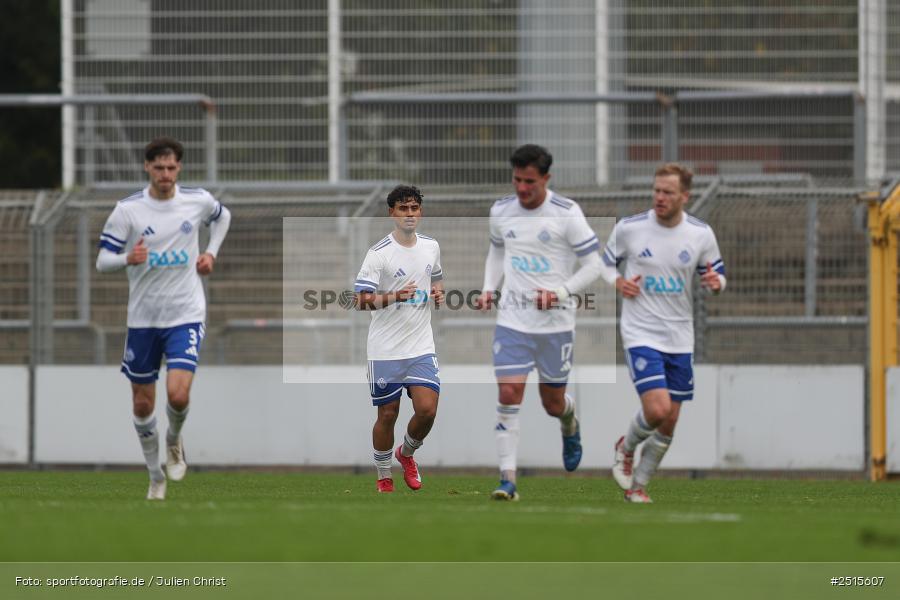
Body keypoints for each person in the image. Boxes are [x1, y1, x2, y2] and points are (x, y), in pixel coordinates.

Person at [477, 144, 616, 501]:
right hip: (512, 321)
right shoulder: (501, 211)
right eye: (517, 180)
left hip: (555, 325)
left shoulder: (566, 213)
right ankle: (508, 479)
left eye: (530, 182)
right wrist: (489, 288)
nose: (522, 188)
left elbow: (594, 265)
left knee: (552, 403)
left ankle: (570, 424)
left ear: (546, 179)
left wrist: (560, 292)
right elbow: (496, 251)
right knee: (509, 393)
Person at [96, 137, 231, 500]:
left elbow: (223, 217)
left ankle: (174, 439)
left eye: (172, 167)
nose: (166, 174)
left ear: (179, 168)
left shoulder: (197, 200)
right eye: (159, 168)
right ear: (147, 168)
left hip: (185, 312)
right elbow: (102, 260)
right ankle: (155, 475)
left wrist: (210, 254)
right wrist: (128, 259)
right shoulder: (128, 211)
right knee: (142, 404)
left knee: (179, 393)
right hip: (143, 318)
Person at [607, 163, 726, 503]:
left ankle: (638, 486)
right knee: (657, 409)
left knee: (670, 420)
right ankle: (625, 447)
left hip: (680, 336)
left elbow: (716, 273)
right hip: (640, 330)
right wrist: (618, 281)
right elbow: (602, 263)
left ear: (684, 197)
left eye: (668, 192)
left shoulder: (700, 234)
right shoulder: (631, 229)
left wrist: (716, 284)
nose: (659, 197)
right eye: (656, 190)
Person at [354, 185, 444, 493]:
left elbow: (436, 277)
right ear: (392, 212)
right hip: (385, 349)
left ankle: (406, 454)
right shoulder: (379, 253)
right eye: (403, 209)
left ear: (420, 211)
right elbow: (361, 299)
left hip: (420, 346)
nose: (409, 214)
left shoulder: (431, 246)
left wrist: (438, 291)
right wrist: (394, 296)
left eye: (414, 208)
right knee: (388, 413)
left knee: (427, 409)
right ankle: (383, 474)